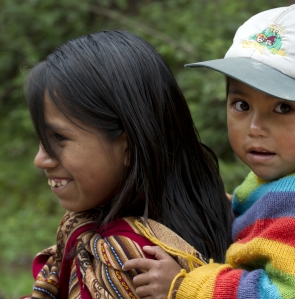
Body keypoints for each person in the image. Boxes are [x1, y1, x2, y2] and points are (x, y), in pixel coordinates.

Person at [123, 3, 295, 299]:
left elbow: (279, 295)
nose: (255, 127)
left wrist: (187, 286)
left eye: (283, 107)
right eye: (242, 105)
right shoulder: (294, 180)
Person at [22, 30, 233, 298]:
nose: (40, 159)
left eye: (59, 138)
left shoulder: (119, 261)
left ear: (129, 146)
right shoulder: (228, 211)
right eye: (42, 140)